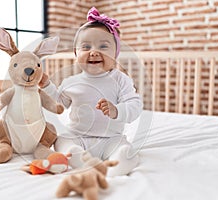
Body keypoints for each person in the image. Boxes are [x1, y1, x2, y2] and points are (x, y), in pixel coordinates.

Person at [39, 7, 143, 176]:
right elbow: (60, 103)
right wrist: (47, 86)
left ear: (115, 54)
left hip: (111, 138)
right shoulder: (71, 82)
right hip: (78, 136)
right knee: (62, 140)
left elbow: (135, 104)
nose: (94, 52)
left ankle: (117, 164)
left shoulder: (120, 79)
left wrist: (117, 110)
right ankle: (79, 158)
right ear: (76, 53)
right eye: (86, 47)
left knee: (125, 150)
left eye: (103, 46)